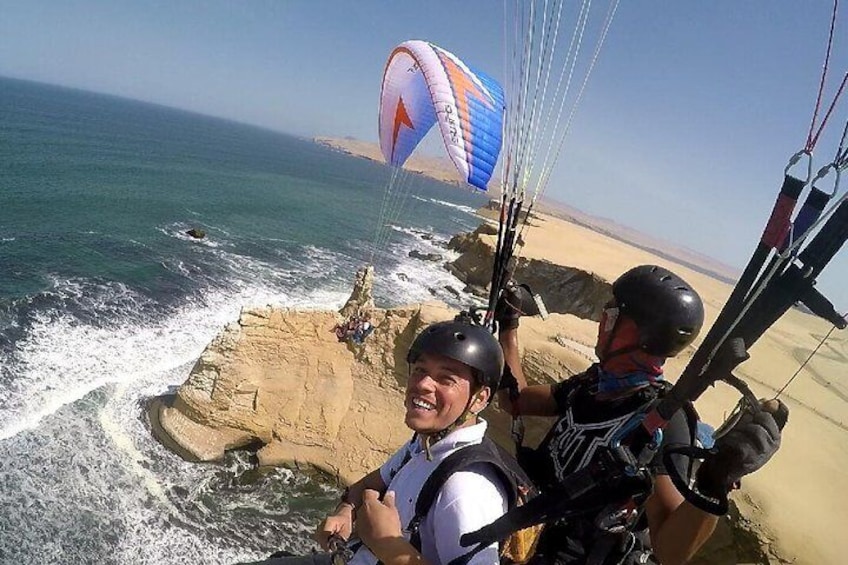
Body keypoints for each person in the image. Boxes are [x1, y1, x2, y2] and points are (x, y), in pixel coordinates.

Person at [495, 265, 787, 565]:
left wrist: (714, 484)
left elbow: (670, 552)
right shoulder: (592, 384)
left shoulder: (666, 421)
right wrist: (509, 325)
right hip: (521, 535)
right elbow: (514, 400)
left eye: (610, 314)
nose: (601, 322)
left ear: (636, 333)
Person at [243, 318, 510, 565]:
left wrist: (388, 545)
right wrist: (347, 510)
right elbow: (372, 483)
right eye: (420, 370)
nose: (424, 384)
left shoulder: (466, 490)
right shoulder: (429, 443)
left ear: (480, 398)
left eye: (446, 378)